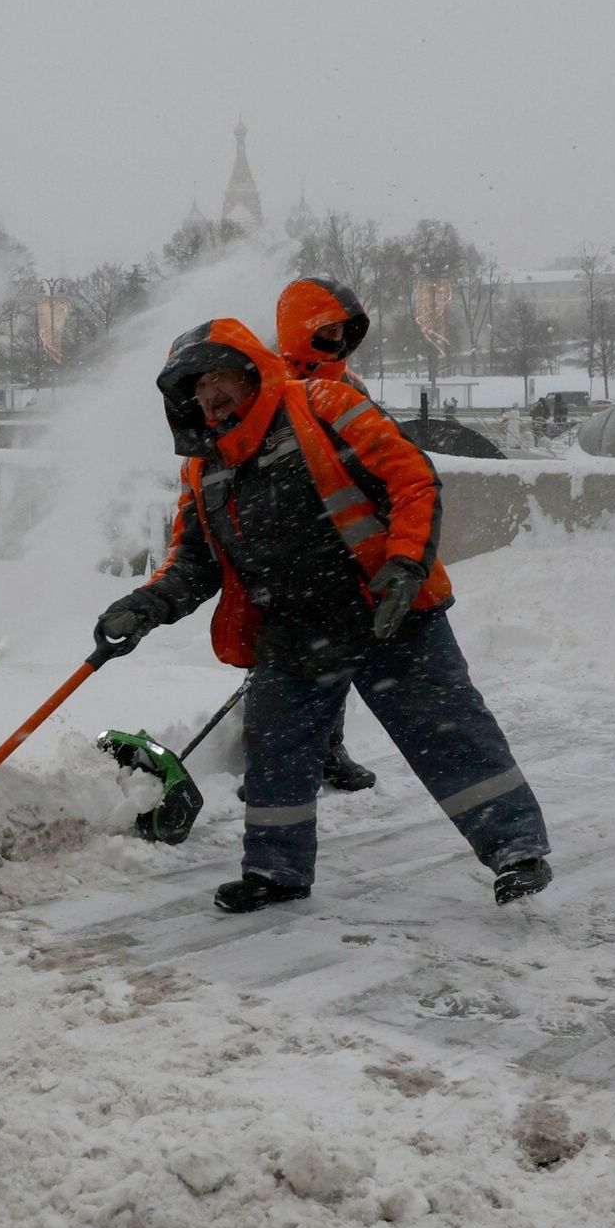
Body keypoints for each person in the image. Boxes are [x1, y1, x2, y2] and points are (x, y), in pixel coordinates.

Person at [95, 318, 552, 912]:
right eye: (194, 388)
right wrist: (143, 606)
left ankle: (515, 850)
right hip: (291, 628)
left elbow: (411, 480)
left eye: (217, 376)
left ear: (251, 368)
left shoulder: (325, 405)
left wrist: (407, 563)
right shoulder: (203, 469)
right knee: (279, 752)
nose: (209, 394)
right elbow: (194, 561)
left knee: (448, 732)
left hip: (384, 609)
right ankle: (275, 871)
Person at [272, 277, 381, 792]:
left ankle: (327, 748)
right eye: (326, 331)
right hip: (282, 545)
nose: (336, 342)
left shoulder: (351, 389)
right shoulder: (269, 385)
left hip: (341, 548)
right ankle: (275, 759)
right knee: (279, 660)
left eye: (343, 332)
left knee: (335, 658)